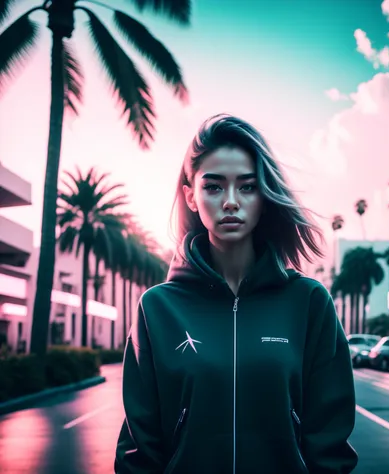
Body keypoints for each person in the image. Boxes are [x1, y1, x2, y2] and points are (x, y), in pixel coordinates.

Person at [114, 114, 358, 474]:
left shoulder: (308, 303)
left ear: (264, 196)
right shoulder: (157, 308)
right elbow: (140, 449)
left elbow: (330, 447)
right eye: (213, 187)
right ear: (191, 196)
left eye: (246, 187)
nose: (230, 201)